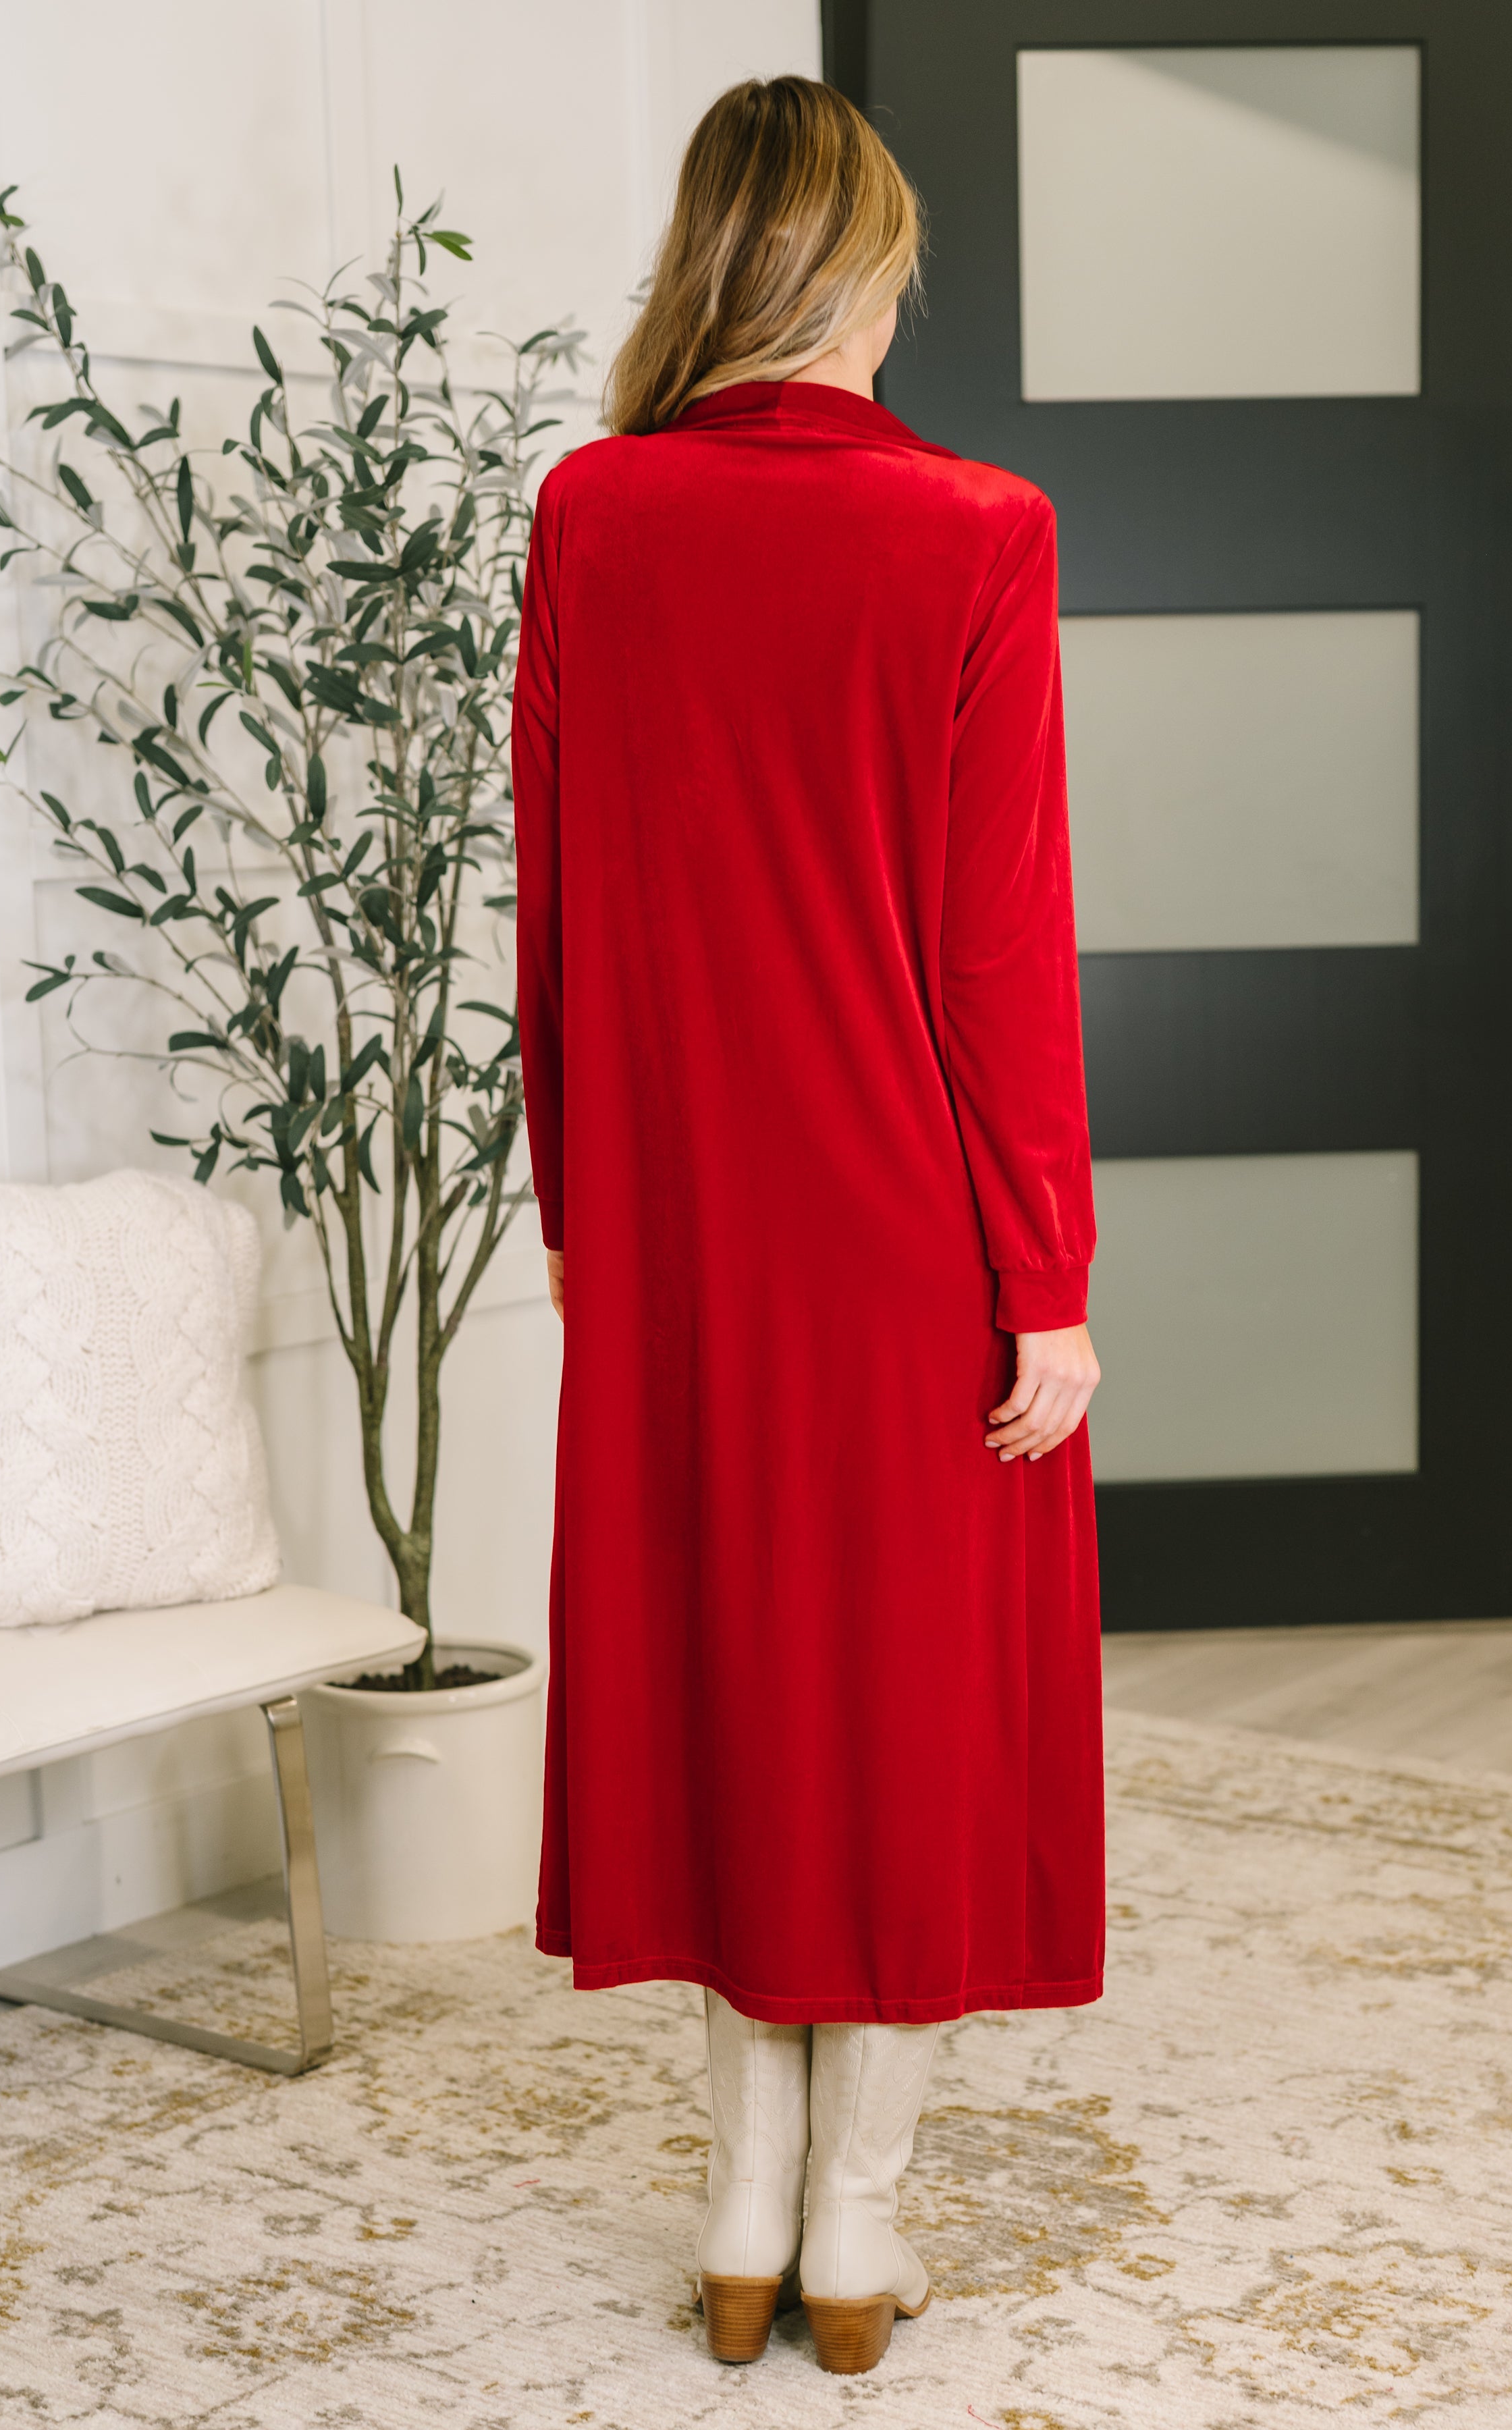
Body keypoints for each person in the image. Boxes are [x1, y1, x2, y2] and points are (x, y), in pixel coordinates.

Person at [513, 74, 1102, 2380]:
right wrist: (1040, 1278)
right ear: (861, 266)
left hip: (673, 1238)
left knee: (734, 1693)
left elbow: (552, 922)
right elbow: (993, 951)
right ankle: (851, 2226)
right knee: (900, 1717)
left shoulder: (592, 514)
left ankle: (745, 2205)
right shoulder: (974, 528)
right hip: (909, 1242)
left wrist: (589, 1223)